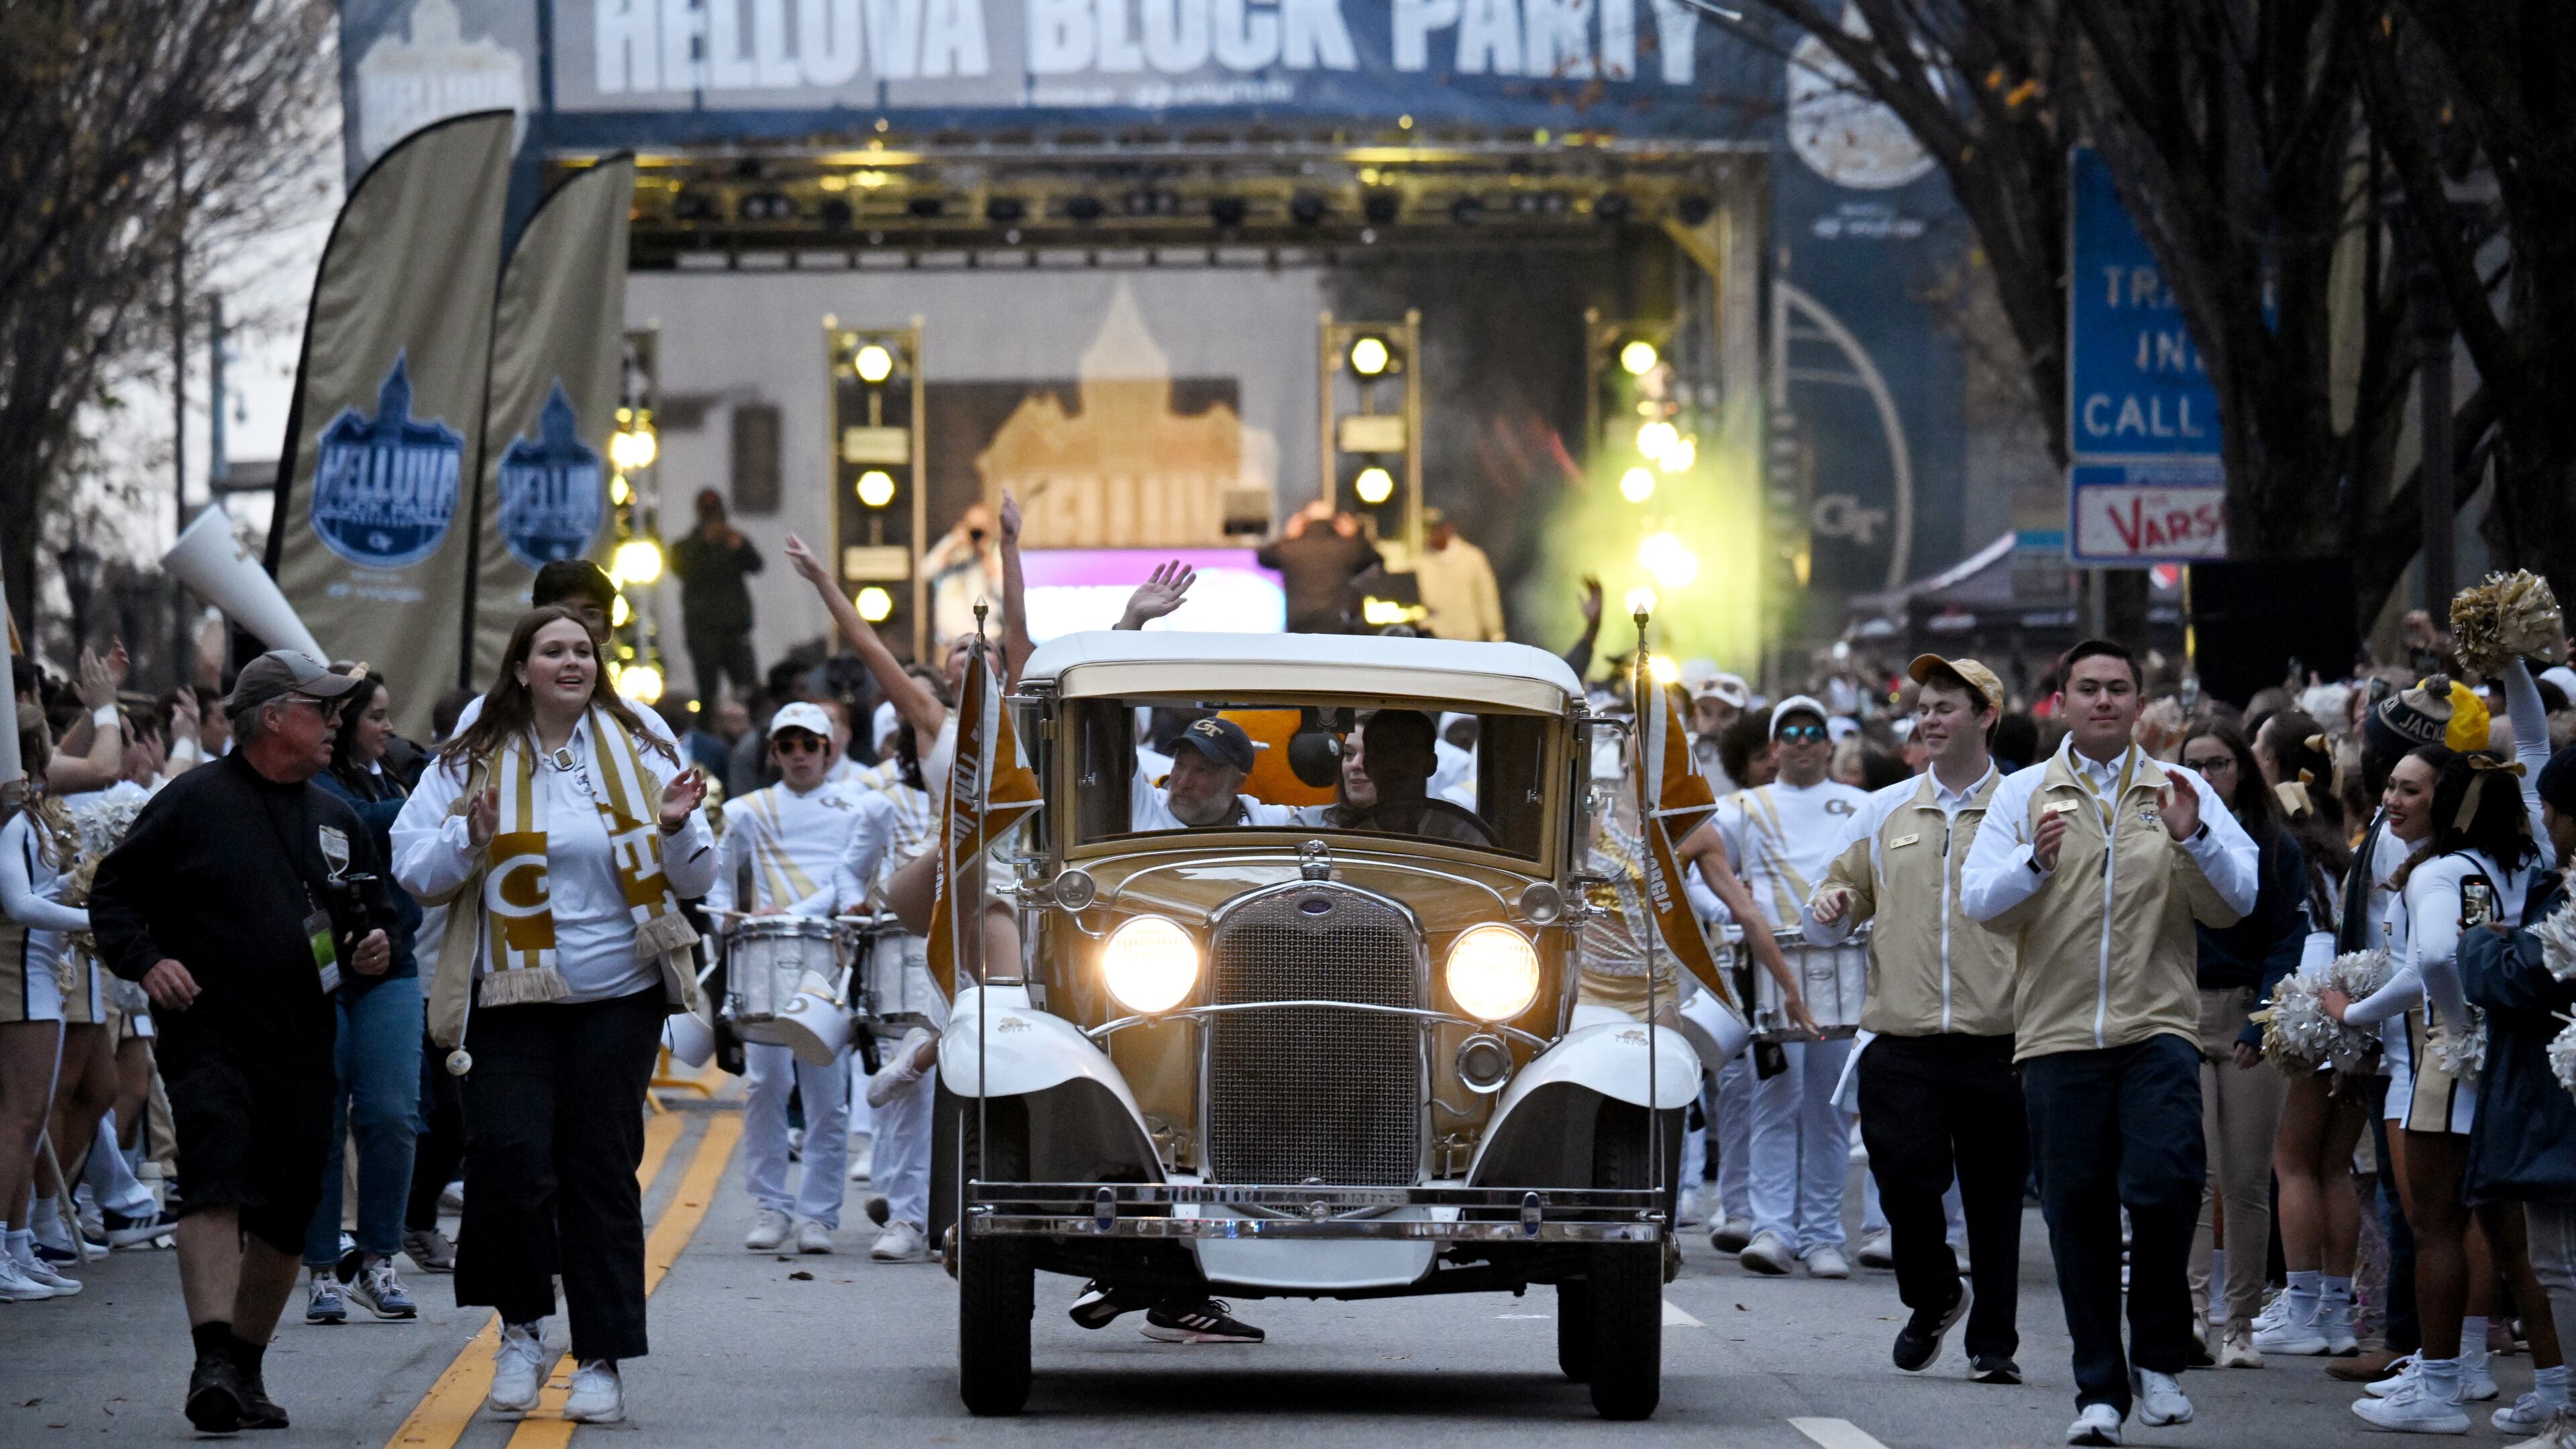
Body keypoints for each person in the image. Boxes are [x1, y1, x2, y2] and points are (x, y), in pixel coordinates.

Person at [394, 607, 716, 1426]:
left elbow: (700, 873)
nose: (572, 662)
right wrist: (467, 841)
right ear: (522, 668)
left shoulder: (641, 745)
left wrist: (673, 828)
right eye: (554, 651)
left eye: (583, 651)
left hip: (619, 998)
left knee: (599, 1173)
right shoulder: (471, 756)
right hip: (511, 1000)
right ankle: (523, 1328)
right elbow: (412, 866)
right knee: (507, 1160)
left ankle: (602, 1357)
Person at [1959, 638, 2259, 1446]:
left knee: (2165, 1183)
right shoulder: (2024, 793)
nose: (2103, 701)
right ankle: (2098, 1392)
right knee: (2075, 1213)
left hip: (2156, 1025)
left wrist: (2194, 840)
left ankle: (2157, 1356)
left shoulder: (2179, 789)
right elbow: (1979, 900)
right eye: (2088, 688)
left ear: (2137, 703)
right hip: (2056, 1036)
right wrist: (2034, 863)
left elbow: (2240, 897)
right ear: (2061, 700)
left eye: (2118, 689)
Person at [89, 651, 393, 1434]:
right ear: (271, 717)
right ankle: (212, 1358)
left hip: (302, 1035)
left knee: (290, 1212)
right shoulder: (193, 803)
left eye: (339, 711)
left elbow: (367, 920)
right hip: (209, 1032)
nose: (335, 724)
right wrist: (149, 961)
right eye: (321, 710)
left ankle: (244, 1370)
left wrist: (372, 948)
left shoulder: (338, 819)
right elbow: (114, 895)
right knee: (217, 1174)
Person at [2326, 656, 2558, 1434]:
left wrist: (2448, 1027)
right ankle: (2540, 1385)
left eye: (2410, 787)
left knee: (2435, 1227)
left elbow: (2432, 964)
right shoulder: (2513, 858)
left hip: (2442, 1062)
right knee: (2501, 1234)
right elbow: (2531, 744)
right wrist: (2516, 660)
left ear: (2448, 801)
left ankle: (2435, 1384)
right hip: (2495, 1056)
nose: (2392, 798)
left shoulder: (2438, 873)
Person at [1805, 654, 2026, 1385]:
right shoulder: (1887, 808)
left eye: (1944, 708)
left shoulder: (2023, 806)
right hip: (1899, 1036)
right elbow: (1838, 891)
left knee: (1996, 1201)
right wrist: (1831, 904)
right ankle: (1933, 1294)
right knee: (1902, 1181)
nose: (1928, 719)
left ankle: (1994, 1346)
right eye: (1922, 708)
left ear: (1986, 716)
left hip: (2000, 1038)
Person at [710, 702, 881, 1257]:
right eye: (788, 745)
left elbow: (850, 878)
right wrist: (727, 924)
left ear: (830, 749)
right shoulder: (747, 810)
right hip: (764, 961)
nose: (800, 755)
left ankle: (819, 1217)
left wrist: (802, 914)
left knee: (826, 1096)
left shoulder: (860, 806)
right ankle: (770, 1204)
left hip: (826, 957)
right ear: (774, 752)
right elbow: (715, 882)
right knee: (764, 1087)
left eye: (810, 744)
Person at [1715, 695, 1870, 1279]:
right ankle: (1772, 1229)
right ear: (1774, 746)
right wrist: (1733, 915)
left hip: (1840, 975)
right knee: (1774, 1103)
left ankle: (1823, 1235)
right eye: (1791, 730)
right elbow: (1696, 867)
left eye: (1814, 730)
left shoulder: (1861, 805)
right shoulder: (1742, 808)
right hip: (1771, 973)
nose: (1803, 740)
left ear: (1829, 744)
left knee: (1828, 1110)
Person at [2176, 720, 2307, 1368]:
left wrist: (2263, 1018)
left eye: (2219, 763)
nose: (2205, 776)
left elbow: (2289, 939)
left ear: (2242, 771)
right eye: (2192, 763)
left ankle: (2242, 1327)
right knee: (2194, 1177)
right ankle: (2195, 1317)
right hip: (2177, 1012)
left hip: (2249, 1011)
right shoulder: (2163, 840)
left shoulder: (2273, 846)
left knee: (2248, 1180)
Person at [301, 665, 425, 1326]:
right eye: (375, 714)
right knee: (323, 1117)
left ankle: (379, 1259)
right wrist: (434, 798)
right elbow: (354, 827)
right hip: (322, 969)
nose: (387, 726)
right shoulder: (314, 780)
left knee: (392, 1114)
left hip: (392, 966)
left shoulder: (393, 774)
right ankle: (323, 1268)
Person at [2460, 744, 2576, 1448]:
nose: (2546, 822)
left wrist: (2480, 945)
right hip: (2554, 1095)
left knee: (2560, 1265)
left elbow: (2518, 979)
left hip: (2556, 1102)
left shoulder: (2572, 894)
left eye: (2554, 810)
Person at [2247, 716, 2368, 1362]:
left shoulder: (2282, 837)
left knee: (2292, 1160)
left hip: (2310, 997)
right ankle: (2334, 1314)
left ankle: (2301, 1307)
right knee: (2333, 1165)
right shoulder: (2340, 840)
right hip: (2352, 997)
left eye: (2256, 749)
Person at [0, 704, 97, 1299]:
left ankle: (16, 1246)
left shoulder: (26, 820)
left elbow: (34, 894)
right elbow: (18, 905)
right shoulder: (12, 820)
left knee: (27, 1120)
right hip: (18, 976)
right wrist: (92, 915)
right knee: (20, 1118)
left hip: (37, 974)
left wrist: (79, 884)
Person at [669, 489, 765, 706]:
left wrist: (740, 547)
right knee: (707, 694)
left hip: (735, 630)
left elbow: (757, 565)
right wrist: (704, 543)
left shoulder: (733, 541)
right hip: (703, 632)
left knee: (749, 692)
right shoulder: (686, 546)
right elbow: (681, 568)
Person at [1256, 499, 1381, 635]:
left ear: (1304, 522)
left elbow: (1263, 558)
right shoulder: (1348, 548)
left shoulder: (1289, 548)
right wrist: (1355, 536)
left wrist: (1288, 537)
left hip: (1298, 621)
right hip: (1337, 622)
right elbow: (1375, 559)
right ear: (1335, 522)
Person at [1409, 507, 1504, 643]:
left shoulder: (1472, 558)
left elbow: (1486, 597)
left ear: (1448, 528)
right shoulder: (1418, 562)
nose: (1431, 534)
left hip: (1467, 638)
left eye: (1436, 529)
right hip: (1433, 639)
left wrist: (1495, 632)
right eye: (1428, 529)